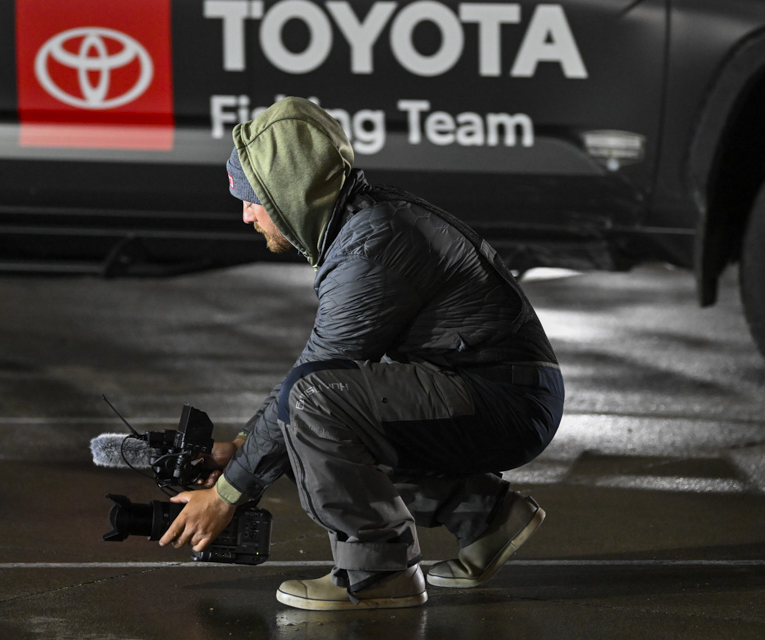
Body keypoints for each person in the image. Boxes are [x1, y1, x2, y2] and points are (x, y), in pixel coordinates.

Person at [158, 96, 565, 611]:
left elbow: (310, 388)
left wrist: (226, 496)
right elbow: (312, 385)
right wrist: (241, 447)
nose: (246, 216)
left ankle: (380, 572)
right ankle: (488, 518)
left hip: (506, 401)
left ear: (288, 193)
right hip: (501, 390)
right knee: (309, 422)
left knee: (312, 409)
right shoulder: (367, 222)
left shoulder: (371, 247)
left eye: (251, 199)